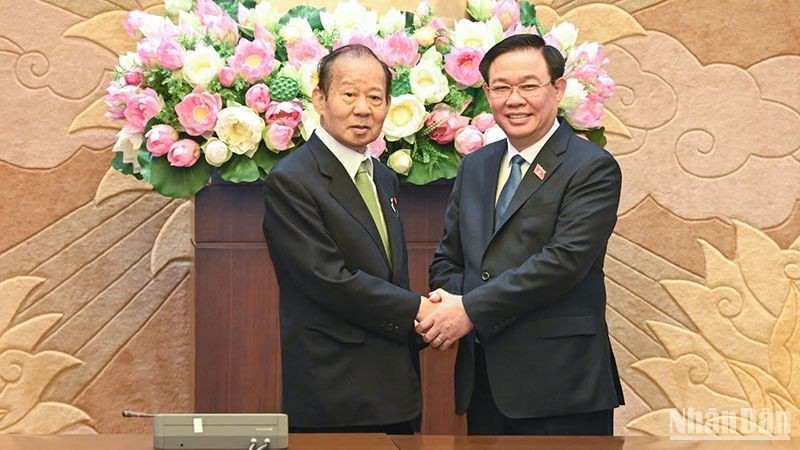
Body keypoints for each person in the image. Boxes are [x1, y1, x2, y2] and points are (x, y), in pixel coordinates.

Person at [418, 34, 625, 435]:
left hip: (562, 384)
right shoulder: (475, 165)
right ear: (487, 93)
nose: (515, 99)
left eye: (529, 86)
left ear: (558, 89)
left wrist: (468, 309)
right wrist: (452, 299)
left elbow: (563, 263)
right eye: (502, 88)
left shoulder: (591, 167)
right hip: (486, 380)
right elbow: (449, 258)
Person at [262, 45, 436, 434]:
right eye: (349, 94)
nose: (363, 108)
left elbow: (388, 273)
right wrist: (420, 311)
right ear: (320, 98)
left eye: (375, 97)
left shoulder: (383, 176)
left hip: (396, 389)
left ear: (389, 105)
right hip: (335, 392)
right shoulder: (292, 180)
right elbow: (327, 278)